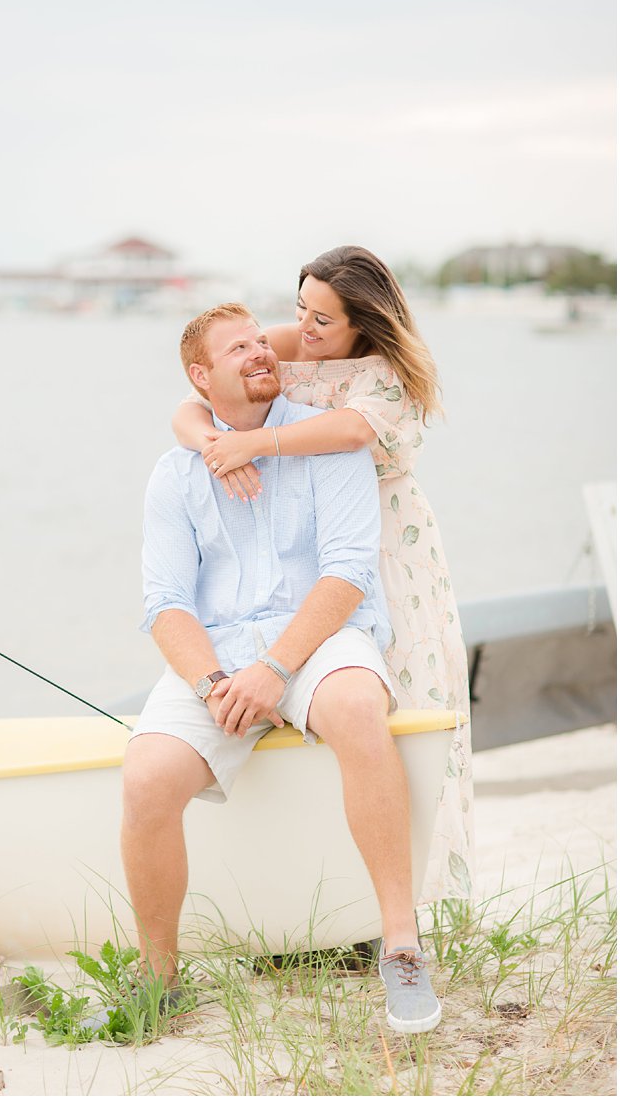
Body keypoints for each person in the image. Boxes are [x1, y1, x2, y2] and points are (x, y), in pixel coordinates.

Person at [128, 302, 441, 1034]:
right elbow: (166, 604)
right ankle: (159, 977)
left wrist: (274, 666)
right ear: (201, 376)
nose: (260, 352)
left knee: (360, 709)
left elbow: (346, 575)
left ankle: (401, 946)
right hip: (220, 653)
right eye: (238, 348)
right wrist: (211, 683)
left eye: (259, 341)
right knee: (144, 778)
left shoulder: (328, 445)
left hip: (319, 637)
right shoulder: (176, 475)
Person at [171, 245, 472, 904]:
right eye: (301, 309)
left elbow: (343, 432)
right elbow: (194, 402)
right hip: (311, 541)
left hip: (389, 546)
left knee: (402, 707)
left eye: (322, 321)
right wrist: (211, 446)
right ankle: (325, 886)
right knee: (313, 698)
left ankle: (415, 894)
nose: (303, 330)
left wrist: (252, 443)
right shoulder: (292, 339)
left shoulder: (388, 372)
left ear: (364, 320)